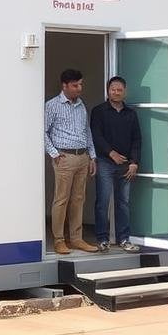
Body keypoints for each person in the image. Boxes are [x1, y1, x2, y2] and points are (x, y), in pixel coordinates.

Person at [44, 68, 98, 255]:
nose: (79, 88)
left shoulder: (81, 105)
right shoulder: (52, 105)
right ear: (64, 86)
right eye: (75, 85)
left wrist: (92, 156)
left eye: (80, 84)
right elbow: (43, 131)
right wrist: (54, 153)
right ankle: (59, 240)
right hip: (64, 158)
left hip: (82, 157)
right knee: (61, 200)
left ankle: (76, 239)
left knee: (78, 199)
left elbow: (87, 131)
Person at [90, 76, 143, 253]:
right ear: (108, 90)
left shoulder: (131, 114)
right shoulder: (99, 111)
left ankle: (124, 239)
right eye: (113, 89)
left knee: (123, 202)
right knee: (102, 201)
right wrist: (111, 154)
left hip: (126, 165)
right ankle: (103, 239)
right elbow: (96, 136)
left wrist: (134, 162)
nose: (116, 92)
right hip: (105, 162)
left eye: (120, 89)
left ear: (124, 91)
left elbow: (137, 139)